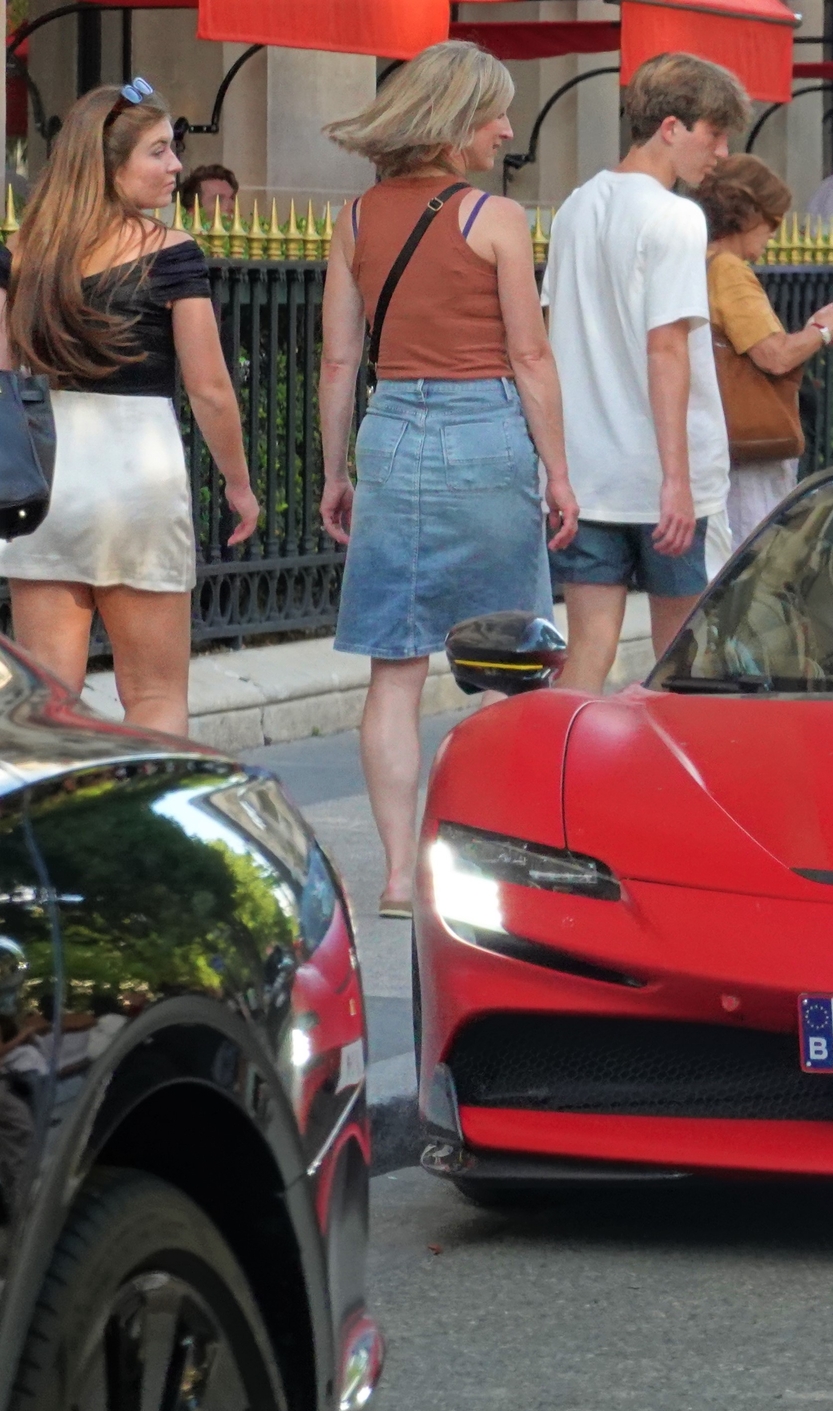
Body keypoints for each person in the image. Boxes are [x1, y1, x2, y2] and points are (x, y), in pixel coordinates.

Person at [316, 42, 577, 918]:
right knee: (509, 665)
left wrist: (334, 469)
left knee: (395, 668)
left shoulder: (352, 218)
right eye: (495, 112)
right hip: (485, 432)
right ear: (455, 119)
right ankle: (477, 855)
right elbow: (530, 356)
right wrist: (560, 473)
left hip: (392, 434)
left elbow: (338, 360)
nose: (507, 127)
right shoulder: (494, 218)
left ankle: (395, 876)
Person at [0, 80, 257, 737]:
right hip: (137, 485)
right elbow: (209, 387)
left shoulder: (28, 255)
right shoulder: (169, 252)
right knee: (154, 699)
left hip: (42, 482)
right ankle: (149, 836)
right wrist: (239, 483)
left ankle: (52, 839)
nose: (176, 166)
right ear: (111, 167)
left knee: (47, 710)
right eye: (159, 151)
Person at [542, 52, 746, 693]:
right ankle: (667, 792)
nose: (720, 152)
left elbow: (554, 339)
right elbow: (666, 349)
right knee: (681, 661)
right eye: (713, 134)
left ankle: (561, 786)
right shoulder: (676, 216)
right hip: (663, 477)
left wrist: (557, 469)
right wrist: (677, 479)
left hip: (589, 473)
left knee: (588, 655)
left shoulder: (575, 207)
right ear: (671, 127)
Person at [697, 155, 833, 538]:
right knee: (756, 544)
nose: (774, 234)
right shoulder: (729, 269)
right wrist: (822, 331)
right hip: (750, 448)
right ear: (750, 216)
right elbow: (774, 355)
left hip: (713, 435)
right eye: (772, 221)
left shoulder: (699, 259)